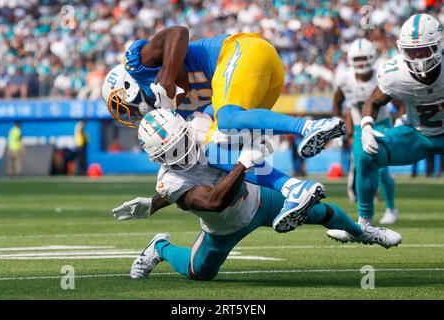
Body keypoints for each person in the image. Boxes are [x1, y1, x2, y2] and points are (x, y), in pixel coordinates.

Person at [101, 27, 347, 231]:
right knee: (213, 148)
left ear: (128, 86)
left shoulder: (140, 63)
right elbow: (192, 168)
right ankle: (294, 188)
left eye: (125, 106)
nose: (132, 113)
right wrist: (155, 203)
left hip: (242, 51)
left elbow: (178, 32)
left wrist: (166, 77)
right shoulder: (175, 113)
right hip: (265, 79)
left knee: (227, 119)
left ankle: (311, 126)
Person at [112, 109, 401, 281]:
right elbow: (213, 201)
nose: (181, 153)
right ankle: (159, 248)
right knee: (199, 272)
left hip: (259, 199)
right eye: (170, 153)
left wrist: (152, 205)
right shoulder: (169, 180)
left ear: (185, 127)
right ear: (157, 158)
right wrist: (244, 162)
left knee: (321, 212)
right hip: (223, 227)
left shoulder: (201, 126)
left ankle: (361, 231)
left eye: (181, 143)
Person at [328, 14, 444, 242]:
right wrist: (367, 126)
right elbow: (373, 101)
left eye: (425, 50)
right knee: (364, 153)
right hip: (418, 134)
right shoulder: (394, 73)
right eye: (412, 52)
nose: (418, 58)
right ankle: (363, 227)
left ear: (438, 45)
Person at [332, 38, 402, 225]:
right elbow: (337, 101)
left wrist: (400, 122)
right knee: (362, 168)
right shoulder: (345, 79)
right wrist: (338, 125)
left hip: (381, 124)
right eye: (358, 58)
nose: (362, 62)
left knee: (382, 171)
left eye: (365, 58)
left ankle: (391, 208)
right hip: (358, 129)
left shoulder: (382, 75)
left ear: (372, 57)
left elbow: (398, 102)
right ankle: (364, 216)